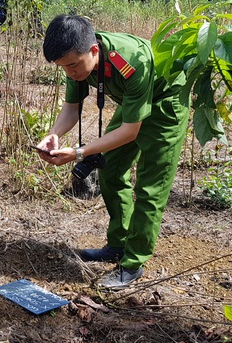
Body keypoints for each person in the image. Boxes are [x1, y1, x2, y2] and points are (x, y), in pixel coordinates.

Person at [35, 15, 189, 289]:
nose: (70, 73)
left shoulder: (131, 61)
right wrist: (54, 134)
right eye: (64, 68)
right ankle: (118, 245)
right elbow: (72, 109)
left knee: (150, 189)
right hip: (134, 107)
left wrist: (79, 153)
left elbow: (130, 131)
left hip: (165, 104)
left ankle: (133, 263)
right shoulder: (77, 58)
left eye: (72, 66)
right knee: (111, 171)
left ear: (94, 50)